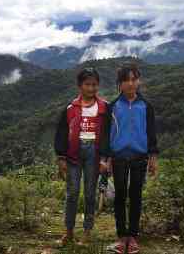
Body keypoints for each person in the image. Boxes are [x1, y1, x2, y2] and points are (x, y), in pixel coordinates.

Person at [100, 63, 159, 254]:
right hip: (118, 157)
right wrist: (106, 158)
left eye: (134, 79)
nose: (131, 83)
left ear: (139, 81)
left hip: (140, 157)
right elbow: (106, 135)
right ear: (120, 83)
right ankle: (121, 237)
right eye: (126, 80)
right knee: (120, 197)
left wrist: (153, 156)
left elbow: (151, 133)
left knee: (135, 196)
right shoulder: (113, 107)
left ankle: (133, 238)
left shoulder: (146, 106)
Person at [54, 67, 110, 245]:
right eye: (87, 84)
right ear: (80, 86)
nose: (91, 88)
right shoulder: (71, 108)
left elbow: (108, 134)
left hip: (94, 152)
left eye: (94, 85)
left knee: (89, 194)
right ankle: (69, 231)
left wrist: (105, 159)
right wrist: (61, 157)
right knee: (72, 193)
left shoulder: (103, 108)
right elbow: (62, 133)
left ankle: (87, 231)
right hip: (73, 153)